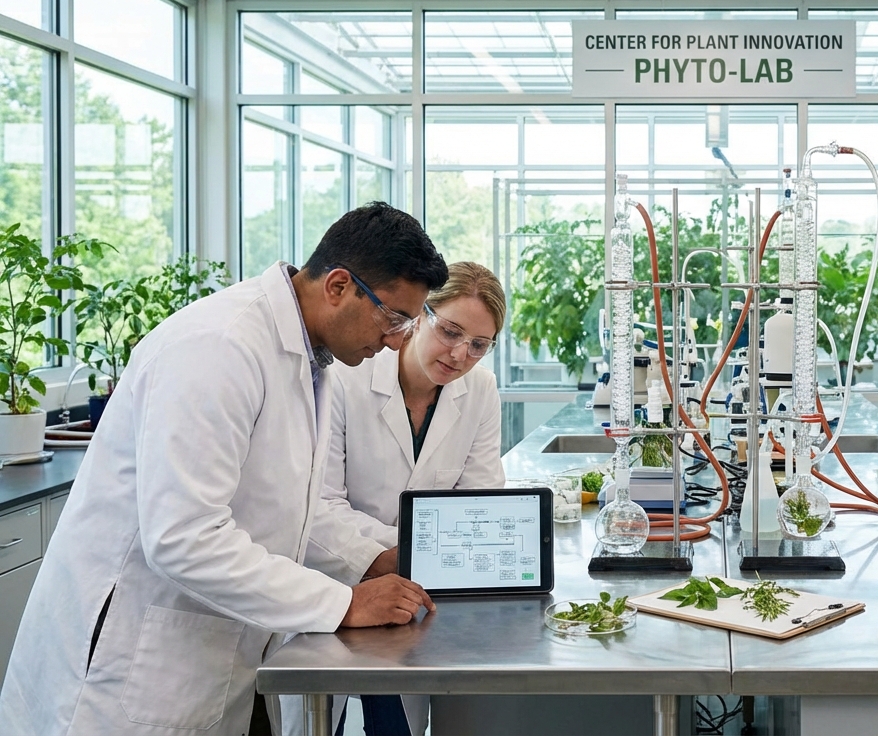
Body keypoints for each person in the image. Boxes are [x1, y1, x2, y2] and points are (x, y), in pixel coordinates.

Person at [0, 202, 447, 736]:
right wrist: (342, 603)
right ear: (338, 286)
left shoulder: (310, 359)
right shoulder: (218, 347)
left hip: (214, 657)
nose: (399, 338)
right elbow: (184, 537)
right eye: (394, 317)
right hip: (128, 669)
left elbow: (288, 508)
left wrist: (378, 557)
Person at [293, 262, 509, 736]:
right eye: (450, 331)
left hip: (423, 596)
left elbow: (481, 503)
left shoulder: (480, 391)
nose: (460, 354)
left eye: (479, 345)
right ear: (419, 315)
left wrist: (423, 560)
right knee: (322, 721)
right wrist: (402, 555)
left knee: (407, 723)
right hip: (341, 582)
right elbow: (319, 504)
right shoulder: (348, 377)